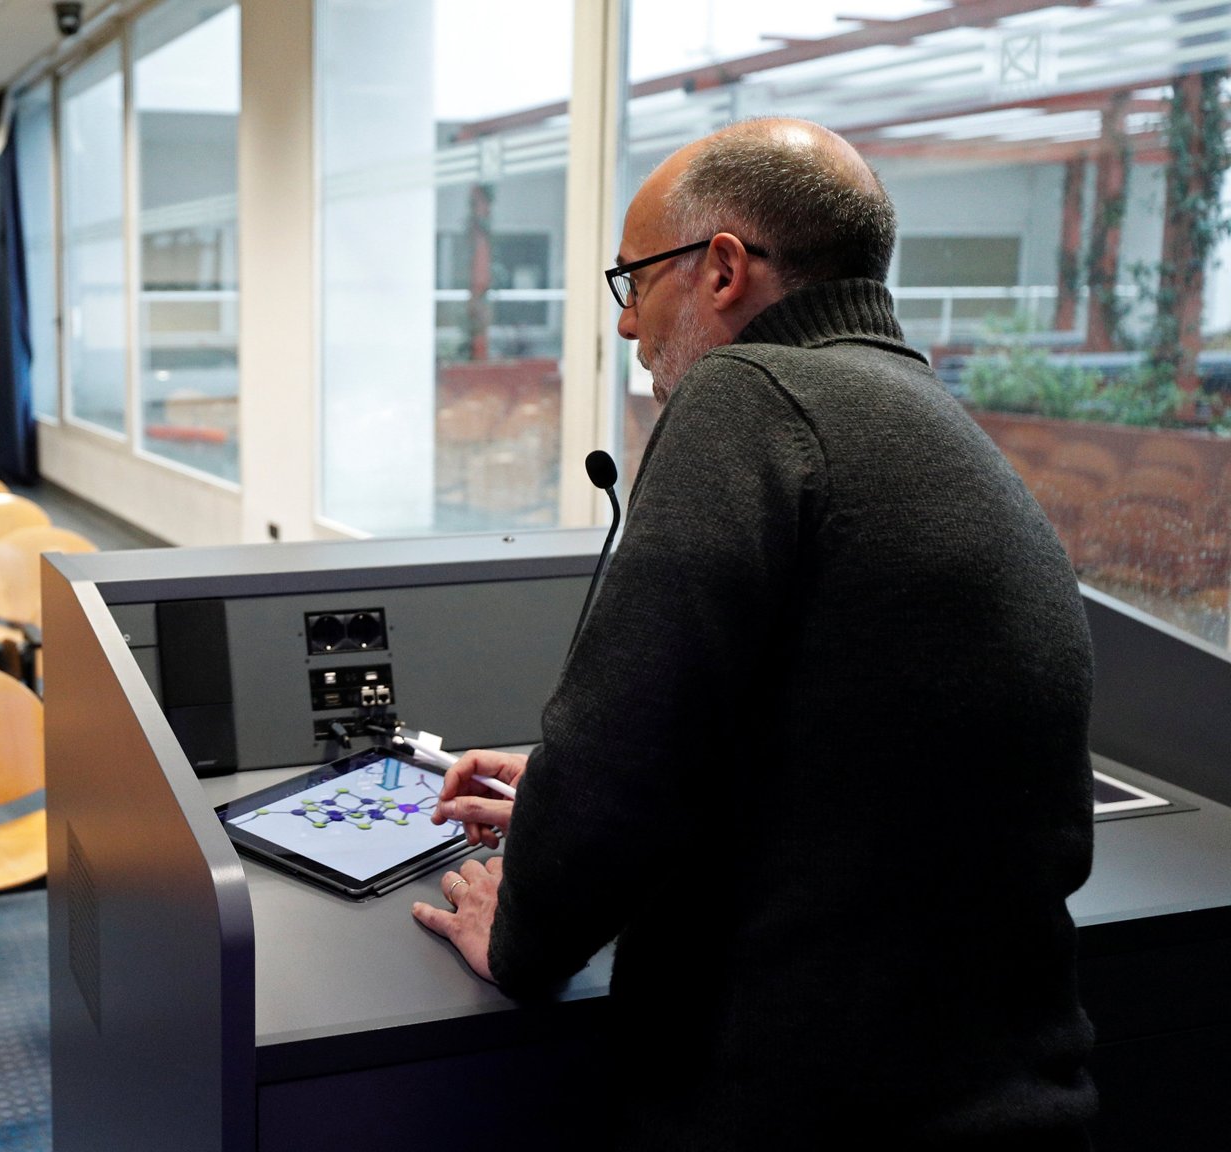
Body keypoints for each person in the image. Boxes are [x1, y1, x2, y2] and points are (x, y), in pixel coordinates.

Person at [410, 119, 1098, 1148]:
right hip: (1012, 1096)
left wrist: (517, 932)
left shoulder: (748, 394)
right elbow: (850, 763)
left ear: (723, 269)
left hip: (803, 1112)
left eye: (634, 280)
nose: (626, 324)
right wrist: (558, 791)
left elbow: (625, 752)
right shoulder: (930, 422)